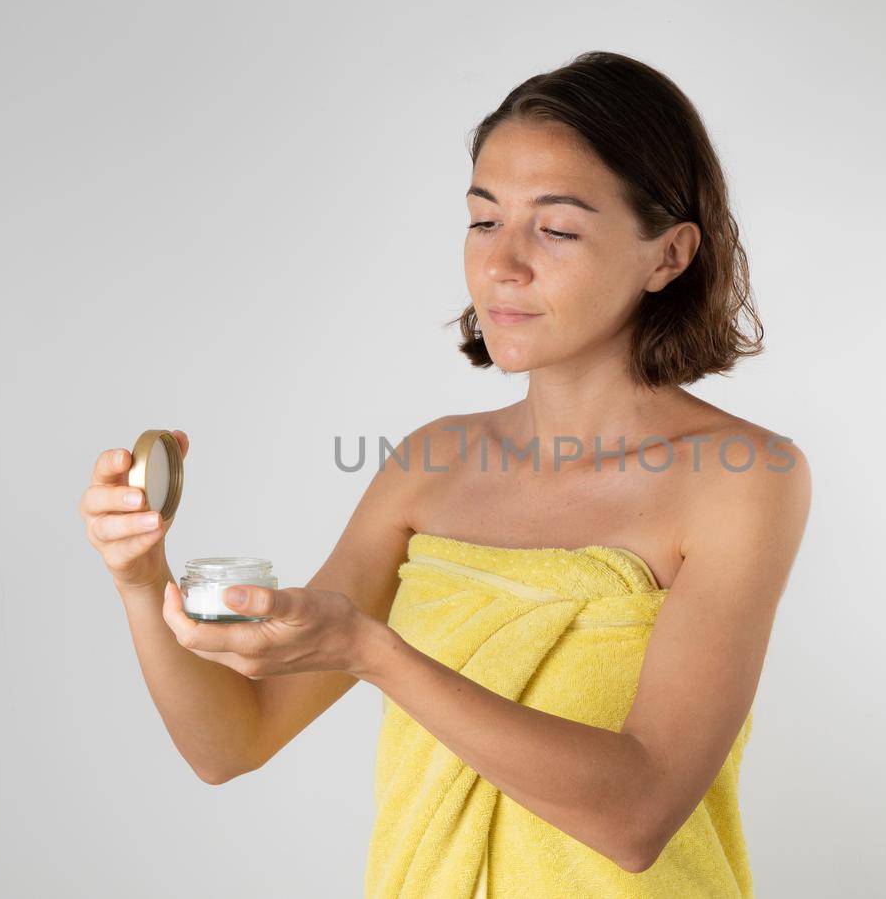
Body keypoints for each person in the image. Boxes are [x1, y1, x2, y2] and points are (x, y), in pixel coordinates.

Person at [79, 50, 810, 898]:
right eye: (483, 219)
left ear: (669, 256)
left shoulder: (743, 478)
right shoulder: (429, 465)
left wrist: (371, 652)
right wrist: (141, 581)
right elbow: (232, 743)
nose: (504, 263)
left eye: (559, 228)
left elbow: (637, 815)